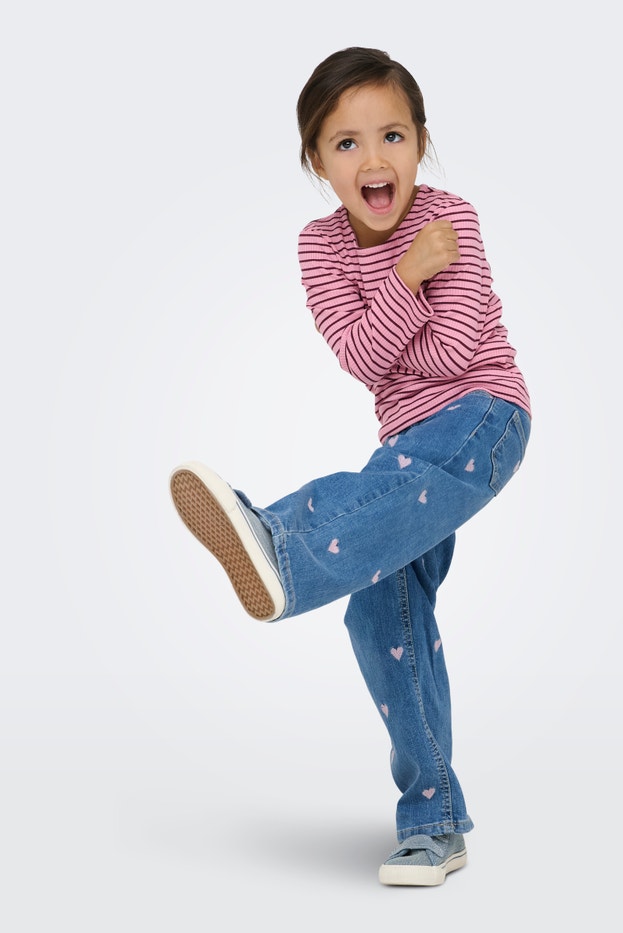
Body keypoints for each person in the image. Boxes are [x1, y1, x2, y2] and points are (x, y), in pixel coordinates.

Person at [170, 46, 531, 887]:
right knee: (380, 613)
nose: (374, 159)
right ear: (317, 161)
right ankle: (434, 822)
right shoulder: (321, 247)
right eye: (347, 143)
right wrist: (410, 275)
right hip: (405, 445)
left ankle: (279, 543)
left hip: (484, 415)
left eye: (393, 135)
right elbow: (365, 361)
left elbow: (451, 355)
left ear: (421, 142)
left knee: (380, 503)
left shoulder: (452, 217)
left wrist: (401, 289)